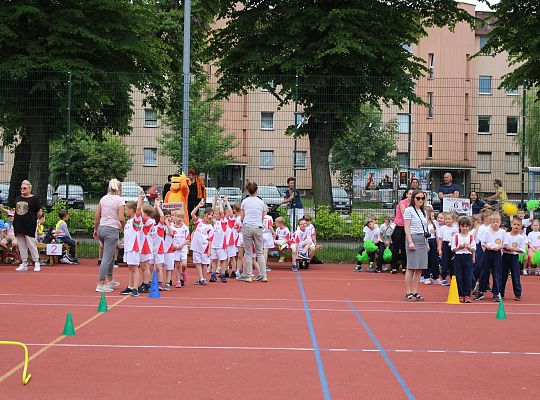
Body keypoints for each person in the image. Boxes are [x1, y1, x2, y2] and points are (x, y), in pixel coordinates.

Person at [93, 178, 125, 293]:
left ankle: (110, 280)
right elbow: (121, 217)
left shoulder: (103, 199)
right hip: (112, 229)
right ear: (119, 188)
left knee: (110, 255)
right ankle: (100, 283)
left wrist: (96, 229)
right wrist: (123, 225)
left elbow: (97, 216)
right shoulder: (120, 200)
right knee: (107, 257)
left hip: (102, 228)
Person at [403, 189, 429, 301]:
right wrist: (410, 241)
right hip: (413, 238)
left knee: (419, 268)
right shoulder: (409, 210)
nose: (420, 200)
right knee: (411, 267)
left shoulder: (423, 211)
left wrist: (426, 242)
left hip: (422, 239)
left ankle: (415, 291)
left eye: (422, 198)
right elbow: (407, 227)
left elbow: (425, 227)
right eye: (418, 198)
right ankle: (408, 292)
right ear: (413, 198)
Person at [475, 213, 506, 302]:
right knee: (484, 273)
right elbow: (483, 242)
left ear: (500, 222)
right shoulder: (487, 232)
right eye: (493, 222)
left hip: (497, 254)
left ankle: (496, 293)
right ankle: (481, 292)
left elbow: (505, 244)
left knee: (497, 273)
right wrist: (487, 247)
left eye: (497, 222)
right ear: (490, 222)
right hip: (488, 253)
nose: (495, 223)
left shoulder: (503, 232)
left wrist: (498, 247)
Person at [240, 181, 268, 282]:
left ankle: (249, 276)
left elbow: (242, 217)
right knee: (259, 252)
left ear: (248, 190)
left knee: (248, 253)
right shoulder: (261, 202)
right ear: (257, 190)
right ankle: (264, 275)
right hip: (258, 227)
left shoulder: (245, 201)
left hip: (247, 226)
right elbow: (263, 216)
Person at [119, 192, 144, 297]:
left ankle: (135, 288)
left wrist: (140, 199)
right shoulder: (129, 222)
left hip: (134, 248)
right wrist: (123, 242)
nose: (125, 211)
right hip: (128, 248)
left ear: (131, 210)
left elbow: (138, 211)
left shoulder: (136, 220)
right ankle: (130, 286)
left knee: (134, 268)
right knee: (130, 268)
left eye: (126, 209)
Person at [13, 180, 42, 272]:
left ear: (29, 189)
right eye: (21, 188)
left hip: (29, 225)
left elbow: (39, 212)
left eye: (24, 188)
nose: (22, 189)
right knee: (21, 244)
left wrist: (34, 221)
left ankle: (36, 262)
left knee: (31, 243)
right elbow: (15, 211)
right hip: (18, 224)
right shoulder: (17, 198)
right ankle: (24, 263)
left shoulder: (34, 199)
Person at [451, 216, 476, 303]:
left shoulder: (471, 237)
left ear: (469, 227)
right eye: (462, 226)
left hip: (468, 257)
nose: (464, 228)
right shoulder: (456, 236)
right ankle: (460, 294)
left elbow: (473, 249)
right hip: (458, 257)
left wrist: (468, 247)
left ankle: (467, 294)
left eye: (466, 226)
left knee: (468, 276)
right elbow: (453, 249)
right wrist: (459, 247)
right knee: (459, 275)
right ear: (459, 227)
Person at [190, 199, 213, 285]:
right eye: (209, 215)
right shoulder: (198, 221)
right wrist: (198, 206)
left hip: (205, 248)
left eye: (212, 215)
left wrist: (210, 250)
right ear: (205, 215)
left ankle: (203, 279)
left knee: (204, 264)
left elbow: (210, 239)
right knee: (198, 263)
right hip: (196, 246)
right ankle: (201, 278)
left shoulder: (211, 227)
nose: (211, 217)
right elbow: (192, 214)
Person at [502, 217, 525, 301]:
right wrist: (506, 247)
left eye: (518, 225)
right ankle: (501, 292)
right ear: (511, 225)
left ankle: (518, 294)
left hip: (514, 257)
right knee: (503, 275)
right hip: (504, 256)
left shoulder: (521, 237)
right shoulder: (506, 235)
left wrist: (513, 249)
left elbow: (522, 250)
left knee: (515, 276)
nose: (516, 226)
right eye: (514, 224)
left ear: (521, 226)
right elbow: (503, 245)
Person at [391, 189, 412, 274]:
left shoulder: (414, 204)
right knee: (396, 247)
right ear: (406, 194)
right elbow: (405, 215)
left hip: (407, 228)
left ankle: (404, 267)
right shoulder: (403, 203)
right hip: (398, 227)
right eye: (410, 194)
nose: (411, 195)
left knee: (405, 248)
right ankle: (394, 267)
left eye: (412, 194)